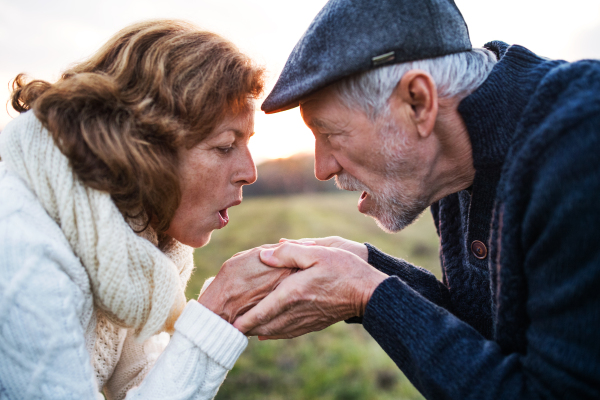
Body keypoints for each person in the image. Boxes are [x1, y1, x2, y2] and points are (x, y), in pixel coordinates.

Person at [217, 0, 600, 398]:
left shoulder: (582, 150)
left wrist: (366, 293)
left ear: (418, 102)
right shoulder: (449, 156)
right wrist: (364, 267)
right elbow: (485, 341)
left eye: (330, 134)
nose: (322, 168)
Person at [0, 20, 291, 399]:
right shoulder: (23, 249)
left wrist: (222, 308)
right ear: (144, 148)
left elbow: (137, 386)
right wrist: (218, 309)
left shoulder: (126, 242)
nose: (249, 173)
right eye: (224, 146)